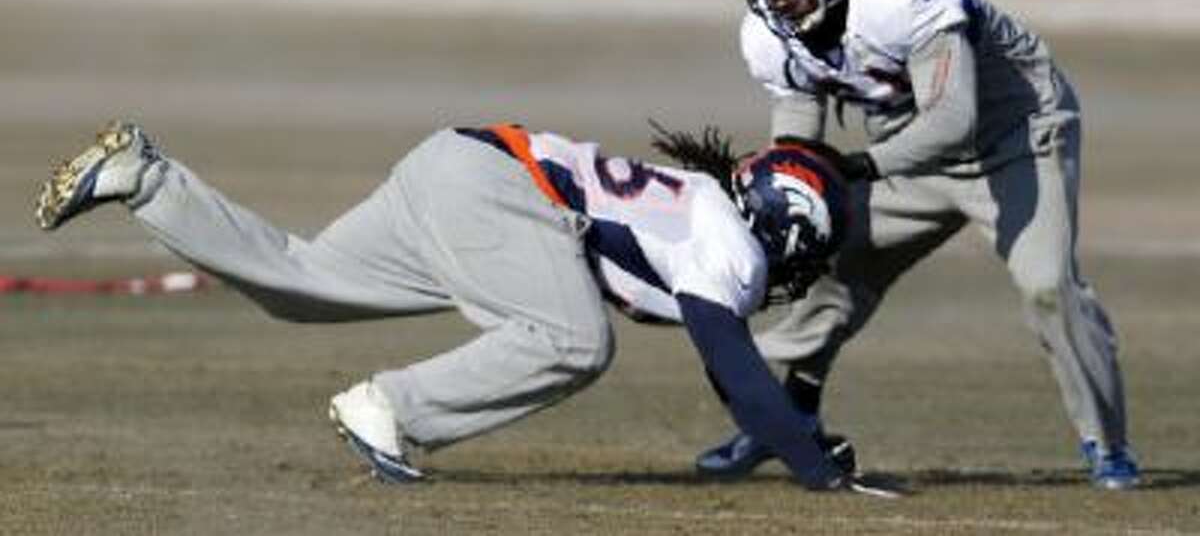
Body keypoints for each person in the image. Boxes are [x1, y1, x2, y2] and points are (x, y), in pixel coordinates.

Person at [37, 119, 868, 490]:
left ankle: (144, 178)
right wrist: (816, 468)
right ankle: (390, 408)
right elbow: (731, 359)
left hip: (467, 166)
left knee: (299, 281)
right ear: (791, 223)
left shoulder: (710, 216)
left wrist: (786, 437)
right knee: (574, 341)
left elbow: (732, 372)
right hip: (502, 195)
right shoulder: (735, 246)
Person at [694, 0, 1139, 490]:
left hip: (1014, 133)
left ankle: (1107, 446)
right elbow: (800, 105)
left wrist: (851, 169)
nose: (784, 5)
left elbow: (952, 120)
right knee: (823, 258)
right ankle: (789, 419)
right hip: (902, 144)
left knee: (1047, 285)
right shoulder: (768, 36)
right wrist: (793, 176)